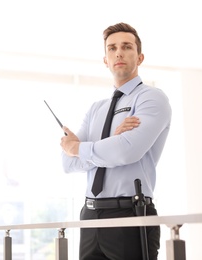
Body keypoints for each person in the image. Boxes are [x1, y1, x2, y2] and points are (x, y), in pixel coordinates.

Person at [60, 22, 172, 260]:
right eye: (112, 48)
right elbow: (69, 163)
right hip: (90, 216)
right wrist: (110, 141)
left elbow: (126, 152)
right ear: (105, 60)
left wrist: (81, 148)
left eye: (126, 47)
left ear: (139, 57)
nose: (118, 52)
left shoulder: (151, 98)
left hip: (130, 214)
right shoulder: (96, 109)